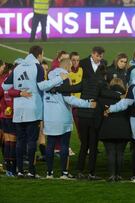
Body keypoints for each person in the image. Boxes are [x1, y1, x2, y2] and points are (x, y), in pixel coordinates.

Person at [2, 45, 69, 178]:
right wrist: (59, 78)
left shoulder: (17, 68)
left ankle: (20, 170)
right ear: (39, 55)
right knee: (32, 141)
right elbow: (42, 86)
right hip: (32, 109)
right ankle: (32, 171)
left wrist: (19, 91)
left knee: (20, 141)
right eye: (42, 55)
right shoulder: (37, 67)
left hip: (18, 109)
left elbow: (5, 86)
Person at [44, 58, 96, 179]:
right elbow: (68, 98)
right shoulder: (65, 77)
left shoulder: (49, 77)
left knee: (50, 145)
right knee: (64, 145)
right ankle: (64, 173)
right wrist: (87, 103)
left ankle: (49, 173)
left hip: (49, 116)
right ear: (67, 66)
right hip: (62, 117)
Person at [99, 78, 130, 182]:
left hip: (108, 128)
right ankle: (119, 175)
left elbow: (100, 114)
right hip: (123, 128)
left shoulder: (103, 97)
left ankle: (112, 175)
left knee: (111, 152)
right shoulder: (126, 98)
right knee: (120, 152)